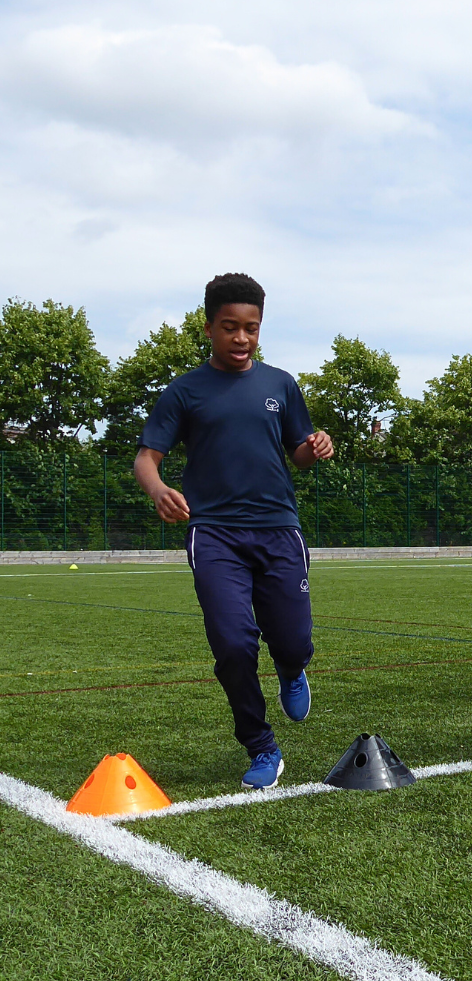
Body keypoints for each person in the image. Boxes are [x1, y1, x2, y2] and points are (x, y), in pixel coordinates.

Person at [134, 273, 334, 790]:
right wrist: (158, 490)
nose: (241, 338)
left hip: (279, 530)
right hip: (214, 534)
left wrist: (313, 448)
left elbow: (298, 452)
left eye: (251, 328)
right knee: (232, 643)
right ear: (208, 328)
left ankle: (292, 668)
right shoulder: (184, 391)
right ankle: (262, 745)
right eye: (230, 327)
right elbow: (147, 458)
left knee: (294, 641)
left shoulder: (280, 385)